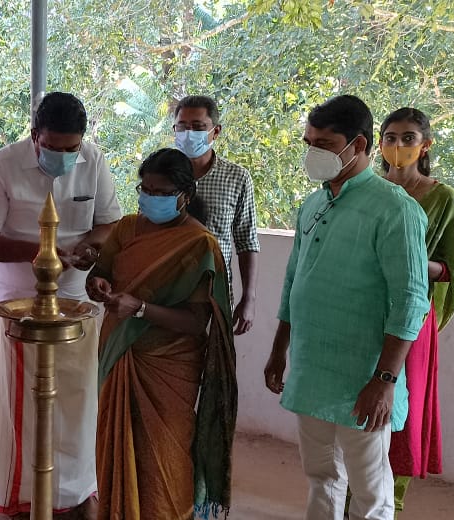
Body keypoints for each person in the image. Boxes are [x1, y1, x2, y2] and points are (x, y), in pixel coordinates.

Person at [263, 95, 428, 520]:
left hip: (364, 376)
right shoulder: (314, 204)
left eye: (324, 144)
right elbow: (293, 282)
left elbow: (411, 300)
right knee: (321, 476)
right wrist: (279, 350)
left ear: (358, 145)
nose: (313, 152)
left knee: (370, 490)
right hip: (311, 369)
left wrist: (385, 380)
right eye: (309, 143)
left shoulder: (395, 208)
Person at [0, 92, 122, 519]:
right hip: (16, 303)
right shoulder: (2, 165)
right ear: (34, 135)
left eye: (71, 148)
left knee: (78, 402)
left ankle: (74, 493)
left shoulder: (93, 161)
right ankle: (19, 495)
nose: (63, 156)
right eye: (53, 147)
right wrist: (45, 253)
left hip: (75, 300)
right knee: (19, 403)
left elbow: (109, 223)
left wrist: (91, 248)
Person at [86, 148, 237, 520]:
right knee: (115, 446)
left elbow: (196, 322)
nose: (151, 198)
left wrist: (140, 308)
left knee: (165, 458)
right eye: (146, 190)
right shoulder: (126, 228)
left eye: (162, 192)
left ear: (185, 195)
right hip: (119, 353)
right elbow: (99, 274)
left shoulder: (199, 245)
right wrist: (98, 285)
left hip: (170, 365)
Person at [379, 107, 454, 513]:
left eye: (408, 138)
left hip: (412, 317)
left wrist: (410, 259)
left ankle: (390, 504)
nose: (398, 145)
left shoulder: (443, 198)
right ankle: (348, 501)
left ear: (425, 145)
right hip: (360, 308)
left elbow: (449, 267)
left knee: (403, 412)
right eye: (390, 137)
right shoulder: (367, 190)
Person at [172, 95, 260, 335]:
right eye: (182, 127)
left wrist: (249, 298)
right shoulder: (161, 174)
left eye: (198, 127)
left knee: (214, 357)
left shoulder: (237, 177)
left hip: (214, 294)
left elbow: (247, 241)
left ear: (216, 131)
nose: (189, 133)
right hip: (165, 293)